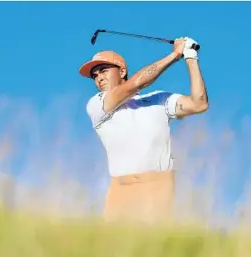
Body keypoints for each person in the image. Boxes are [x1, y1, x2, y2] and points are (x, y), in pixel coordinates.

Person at [79, 37, 209, 224]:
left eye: (104, 71)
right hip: (120, 186)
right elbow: (135, 85)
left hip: (158, 184)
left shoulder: (159, 99)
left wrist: (190, 57)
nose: (99, 78)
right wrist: (174, 55)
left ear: (122, 71)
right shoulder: (97, 104)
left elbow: (199, 103)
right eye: (95, 75)